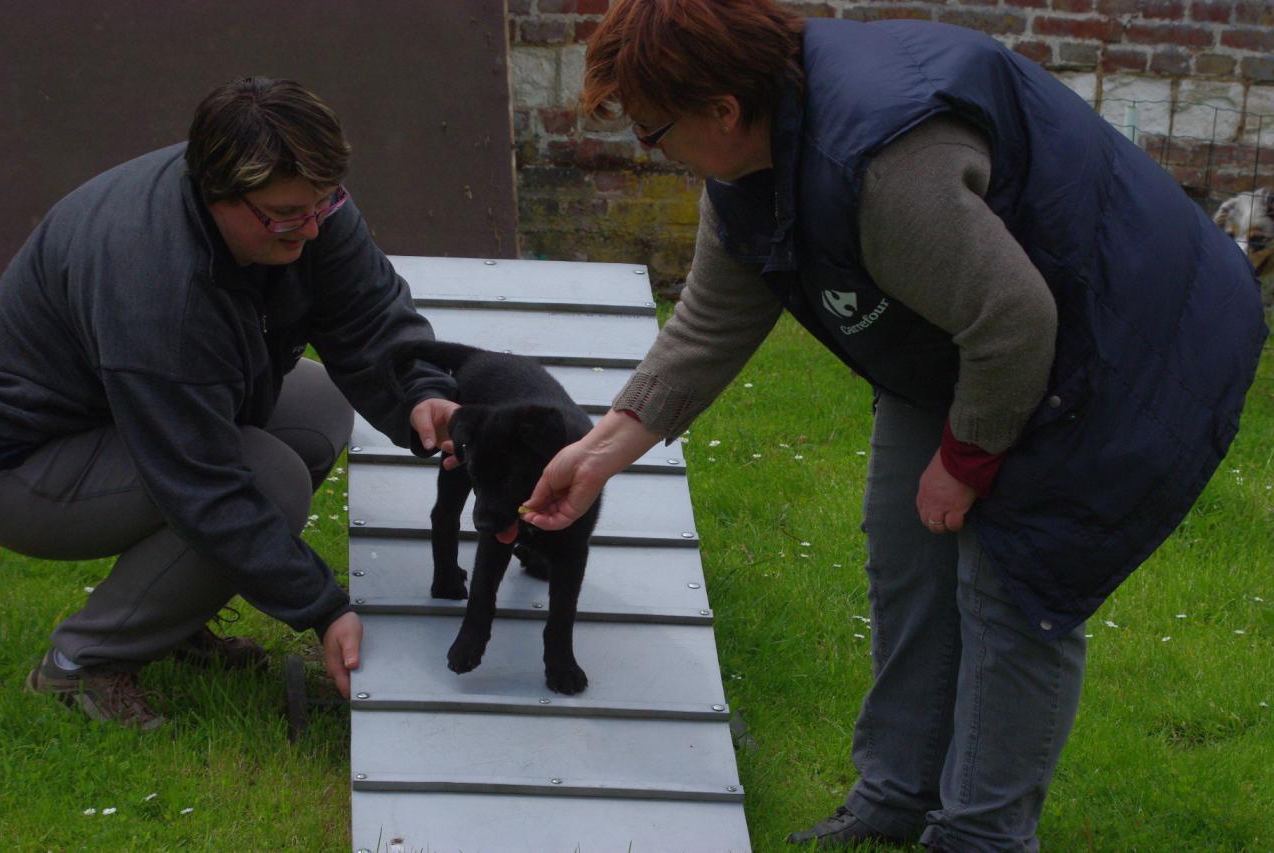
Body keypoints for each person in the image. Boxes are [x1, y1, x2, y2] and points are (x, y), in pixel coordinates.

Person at [518, 1, 1268, 849]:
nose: (652, 151)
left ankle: (980, 834)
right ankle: (895, 797)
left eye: (654, 133)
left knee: (1011, 575)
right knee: (904, 543)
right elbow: (707, 327)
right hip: (973, 327)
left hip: (1126, 330)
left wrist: (967, 455)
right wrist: (598, 451)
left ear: (721, 110)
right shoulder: (751, 164)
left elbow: (1016, 319)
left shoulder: (879, 160)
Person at [0, 78, 460, 731]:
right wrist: (324, 607)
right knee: (266, 482)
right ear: (217, 193)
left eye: (321, 205)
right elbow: (203, 484)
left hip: (127, 407)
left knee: (321, 404)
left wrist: (423, 392)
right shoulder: (153, 284)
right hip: (28, 466)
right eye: (285, 214)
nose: (310, 227)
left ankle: (174, 616)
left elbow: (369, 312)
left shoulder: (301, 199)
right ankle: (82, 662)